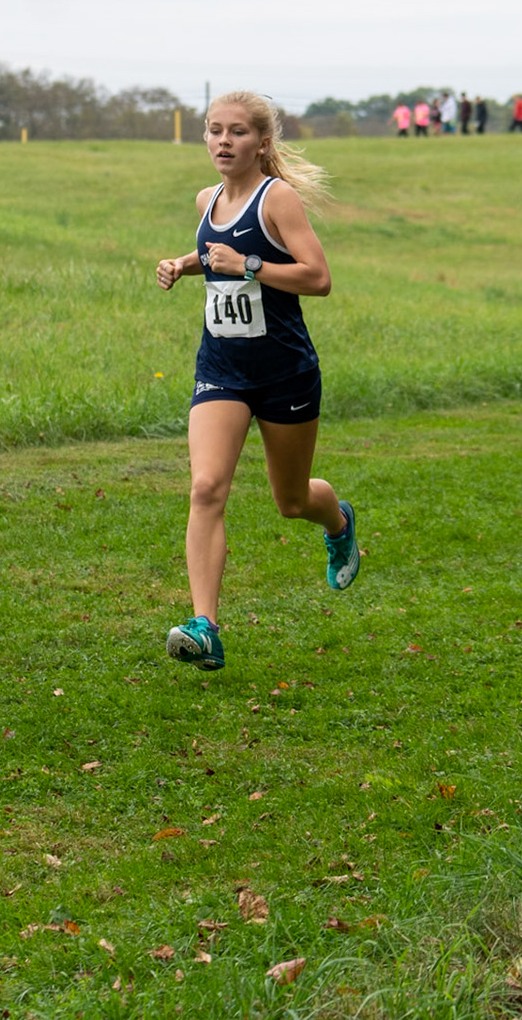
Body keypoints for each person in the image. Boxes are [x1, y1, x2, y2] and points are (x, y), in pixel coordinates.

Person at [154, 92, 361, 672]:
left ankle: (338, 521)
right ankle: (205, 627)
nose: (223, 141)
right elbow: (217, 252)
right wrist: (184, 263)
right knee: (205, 488)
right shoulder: (207, 199)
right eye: (214, 130)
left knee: (291, 501)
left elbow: (317, 277)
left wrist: (247, 266)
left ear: (262, 143)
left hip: (284, 373)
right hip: (221, 370)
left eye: (237, 132)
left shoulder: (279, 199)